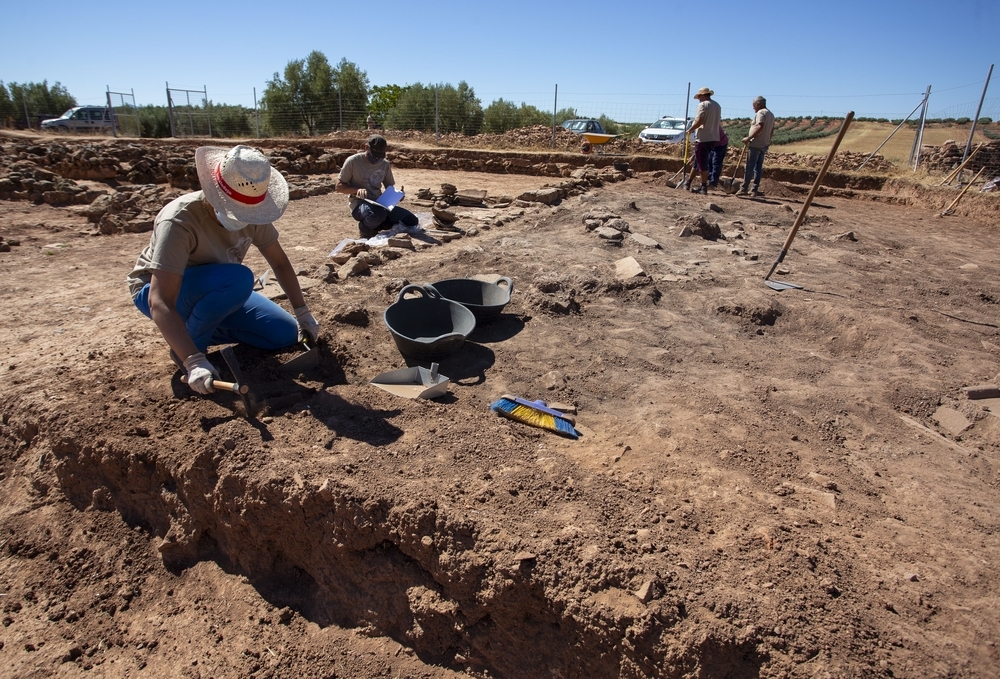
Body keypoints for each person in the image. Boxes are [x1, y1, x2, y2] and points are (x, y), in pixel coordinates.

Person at [126, 144, 319, 395]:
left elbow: (280, 262)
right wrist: (193, 360)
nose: (242, 217)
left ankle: (189, 332)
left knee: (284, 333)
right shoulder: (179, 220)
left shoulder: (253, 212)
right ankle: (188, 348)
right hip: (161, 290)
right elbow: (159, 301)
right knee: (240, 279)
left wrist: (302, 311)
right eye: (235, 210)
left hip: (220, 289)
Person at [336, 134, 419, 239]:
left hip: (380, 204)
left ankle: (376, 226)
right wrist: (356, 190)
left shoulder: (384, 164)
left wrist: (398, 195)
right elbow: (339, 187)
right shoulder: (353, 161)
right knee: (378, 214)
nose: (376, 158)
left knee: (411, 220)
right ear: (366, 148)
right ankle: (365, 228)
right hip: (359, 205)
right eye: (375, 154)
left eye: (380, 155)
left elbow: (390, 188)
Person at [684, 87, 722, 194]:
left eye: (699, 97)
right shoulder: (717, 105)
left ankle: (703, 186)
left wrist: (690, 129)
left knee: (702, 162)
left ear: (703, 95)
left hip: (703, 138)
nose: (699, 99)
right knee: (697, 161)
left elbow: (700, 120)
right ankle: (688, 182)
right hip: (713, 137)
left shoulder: (703, 105)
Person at [739, 96, 776, 197]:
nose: (753, 108)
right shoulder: (771, 114)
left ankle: (744, 188)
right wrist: (768, 140)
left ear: (758, 104)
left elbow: (760, 126)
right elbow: (771, 130)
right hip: (764, 144)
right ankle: (754, 189)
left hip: (756, 144)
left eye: (754, 105)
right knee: (758, 167)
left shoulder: (761, 113)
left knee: (749, 167)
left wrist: (749, 138)